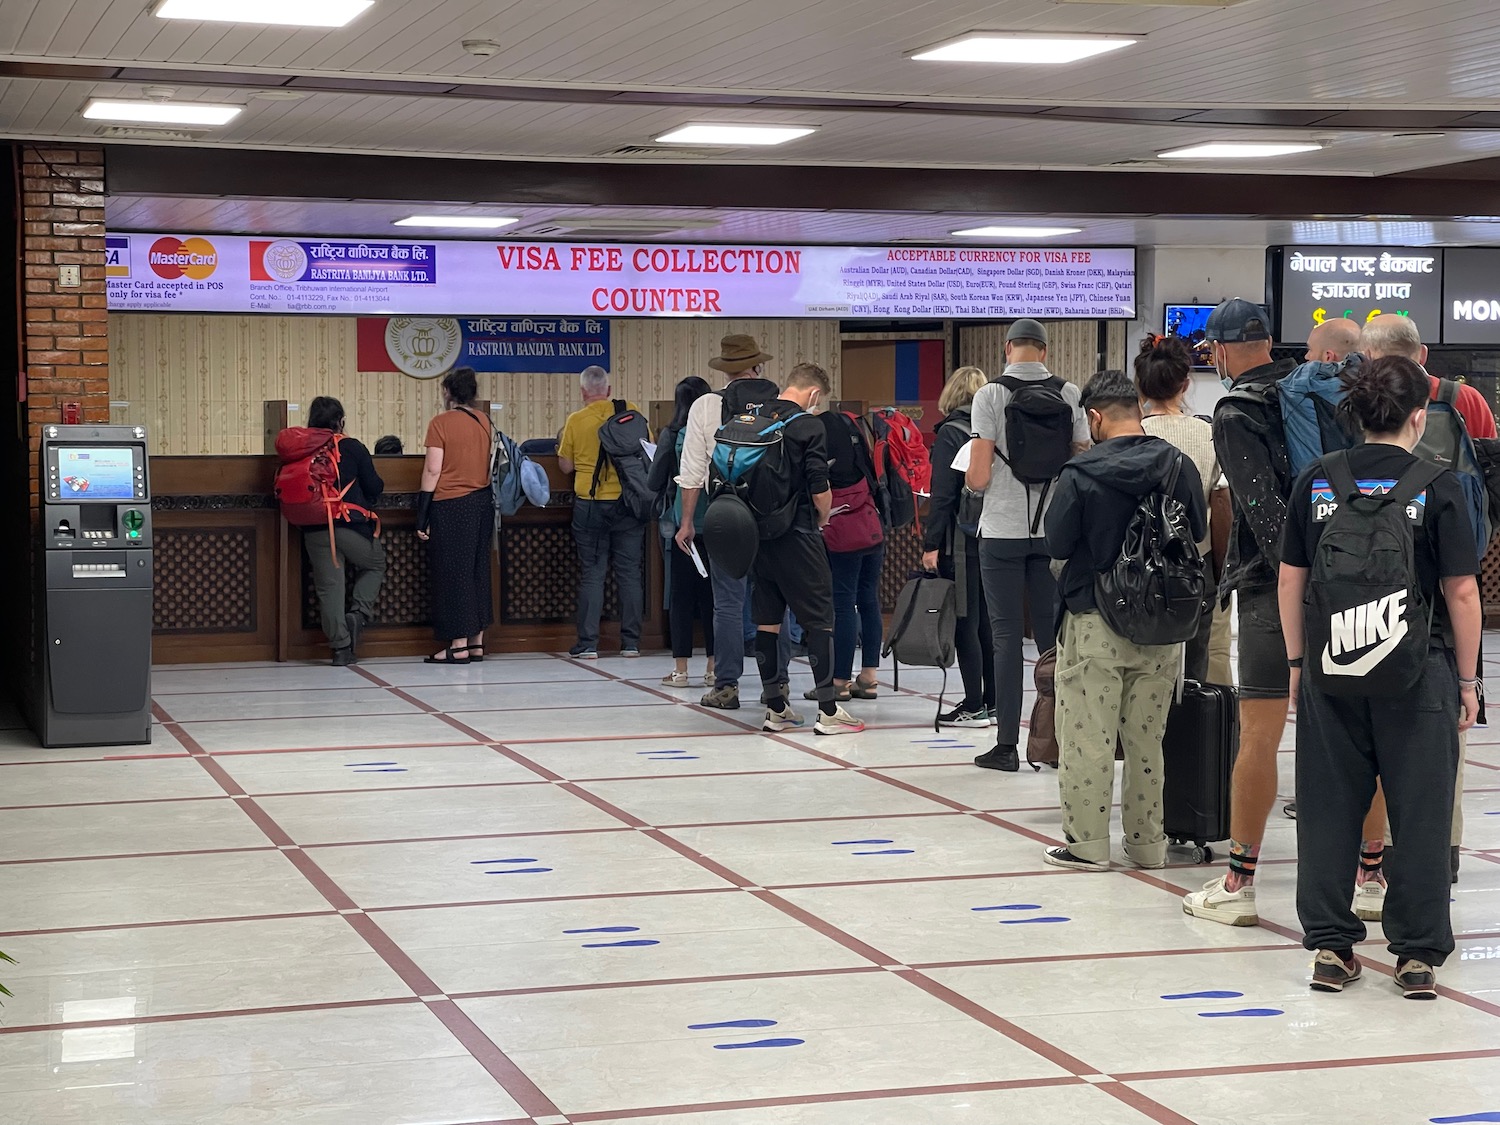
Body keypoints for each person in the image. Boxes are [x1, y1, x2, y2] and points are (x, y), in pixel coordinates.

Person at [1279, 355, 1481, 998]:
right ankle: (1416, 955)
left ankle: (1332, 949)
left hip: (1330, 668)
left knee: (1327, 807)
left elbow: (1292, 579)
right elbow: (1462, 593)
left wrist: (1294, 662)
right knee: (1420, 812)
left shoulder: (1317, 480)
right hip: (1418, 672)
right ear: (1418, 416)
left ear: (1355, 417)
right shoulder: (1438, 484)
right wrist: (1471, 682)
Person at [1041, 370, 1206, 871]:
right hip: (1162, 624)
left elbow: (1057, 545)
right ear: (1137, 410)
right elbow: (1196, 531)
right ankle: (1148, 845)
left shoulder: (1079, 474)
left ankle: (1087, 845)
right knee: (1147, 740)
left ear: (1094, 417)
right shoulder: (1178, 467)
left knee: (1088, 737)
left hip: (1094, 617)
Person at [1362, 313, 1495, 886]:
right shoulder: (1468, 401)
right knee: (1446, 738)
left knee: (1366, 728)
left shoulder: (1365, 406)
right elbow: (1488, 485)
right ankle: (1443, 851)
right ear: (1422, 353)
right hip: (1449, 588)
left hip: (1372, 590)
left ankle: (1376, 856)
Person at [1182, 298, 1298, 926]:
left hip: (1272, 589)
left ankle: (1239, 883)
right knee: (1359, 736)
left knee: (1259, 735)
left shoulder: (1236, 409)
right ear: (1270, 341)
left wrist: (1293, 576)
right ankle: (1370, 876)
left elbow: (1260, 508)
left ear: (1221, 352)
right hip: (1351, 588)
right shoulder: (1313, 390)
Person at [966, 319, 1090, 771]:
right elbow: (1083, 457)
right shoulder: (1069, 392)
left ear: (1008, 348)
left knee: (1004, 637)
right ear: (1044, 350)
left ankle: (1005, 747)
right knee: (1053, 639)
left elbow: (978, 477)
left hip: (1001, 531)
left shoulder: (990, 395)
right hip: (1052, 533)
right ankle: (1054, 743)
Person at [747, 363, 865, 737]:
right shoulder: (808, 425)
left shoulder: (751, 418)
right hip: (797, 532)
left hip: (755, 535)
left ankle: (776, 708)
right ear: (814, 395)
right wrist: (823, 517)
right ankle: (829, 711)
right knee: (820, 618)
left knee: (768, 620)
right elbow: (819, 487)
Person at [674, 335, 791, 709]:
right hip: (773, 516)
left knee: (726, 602)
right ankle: (778, 684)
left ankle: (726, 687)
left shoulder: (707, 406)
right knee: (775, 600)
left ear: (724, 370)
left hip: (726, 514)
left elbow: (691, 472)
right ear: (758, 367)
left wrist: (687, 522)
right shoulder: (781, 404)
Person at [1136, 335, 1226, 684]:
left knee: (1144, 661)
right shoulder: (1208, 434)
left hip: (1139, 560)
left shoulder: (1134, 432)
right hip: (1195, 559)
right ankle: (1192, 731)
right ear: (1185, 384)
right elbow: (1221, 505)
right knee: (1196, 661)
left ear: (1140, 387)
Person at [558, 365, 647, 660]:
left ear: (583, 392)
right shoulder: (630, 411)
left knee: (593, 574)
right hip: (629, 503)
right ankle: (631, 643)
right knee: (629, 573)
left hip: (591, 504)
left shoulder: (576, 420)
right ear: (608, 391)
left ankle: (588, 644)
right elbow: (648, 451)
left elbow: (566, 467)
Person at [923, 366, 995, 726]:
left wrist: (931, 544)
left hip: (961, 539)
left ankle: (972, 704)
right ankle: (994, 701)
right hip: (994, 535)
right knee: (990, 624)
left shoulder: (951, 433)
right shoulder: (995, 430)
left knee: (965, 621)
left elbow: (942, 496)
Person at [300, 396, 386, 667]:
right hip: (349, 527)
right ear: (340, 421)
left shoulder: (301, 450)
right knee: (376, 564)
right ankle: (358, 614)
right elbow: (375, 487)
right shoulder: (352, 447)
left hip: (314, 528)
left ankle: (341, 649)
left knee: (329, 588)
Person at [416, 366, 494, 665]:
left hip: (451, 504)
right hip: (482, 502)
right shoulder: (484, 420)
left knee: (454, 574)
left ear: (448, 392)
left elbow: (433, 469)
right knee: (477, 569)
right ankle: (476, 643)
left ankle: (457, 645)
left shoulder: (441, 423)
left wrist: (422, 513)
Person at [813, 406, 884, 702]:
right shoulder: (856, 433)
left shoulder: (825, 461)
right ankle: (868, 677)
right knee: (868, 600)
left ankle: (839, 681)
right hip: (872, 525)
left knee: (842, 605)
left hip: (842, 534)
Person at [649, 376, 716, 688]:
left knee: (682, 598)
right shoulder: (719, 429)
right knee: (715, 599)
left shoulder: (673, 433)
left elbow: (654, 480)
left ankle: (681, 670)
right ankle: (714, 669)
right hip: (717, 521)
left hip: (683, 524)